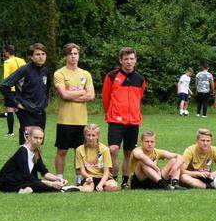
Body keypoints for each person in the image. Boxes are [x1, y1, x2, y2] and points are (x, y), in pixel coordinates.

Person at [101, 47, 147, 188]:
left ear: (135, 60)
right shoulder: (112, 76)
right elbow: (105, 97)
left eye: (131, 59)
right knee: (113, 149)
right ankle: (113, 178)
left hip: (133, 121)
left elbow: (139, 98)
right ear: (121, 60)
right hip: (116, 119)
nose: (129, 62)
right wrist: (110, 113)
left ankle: (125, 181)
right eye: (126, 59)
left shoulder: (140, 79)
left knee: (129, 153)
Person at [52, 42, 94, 176]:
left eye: (76, 54)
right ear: (66, 56)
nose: (73, 56)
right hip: (65, 120)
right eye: (70, 54)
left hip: (81, 121)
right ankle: (59, 179)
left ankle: (79, 180)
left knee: (80, 152)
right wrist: (82, 92)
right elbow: (64, 94)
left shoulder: (85, 74)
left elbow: (91, 95)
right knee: (62, 151)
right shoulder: (59, 73)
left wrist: (71, 96)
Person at [0, 42, 50, 145]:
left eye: (43, 54)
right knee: (27, 146)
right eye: (37, 54)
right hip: (27, 114)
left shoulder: (45, 70)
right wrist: (16, 103)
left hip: (40, 113)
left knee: (38, 145)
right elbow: (4, 85)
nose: (41, 57)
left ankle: (36, 162)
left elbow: (46, 89)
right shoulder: (25, 69)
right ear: (31, 57)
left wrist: (44, 103)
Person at [0, 126, 72, 193]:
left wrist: (59, 179)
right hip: (5, 183)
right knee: (40, 185)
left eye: (40, 138)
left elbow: (44, 172)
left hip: (22, 180)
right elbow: (27, 176)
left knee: (44, 185)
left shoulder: (36, 152)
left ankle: (24, 190)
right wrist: (50, 183)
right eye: (35, 137)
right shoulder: (23, 150)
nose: (38, 140)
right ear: (29, 137)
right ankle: (22, 190)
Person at [75, 123, 119, 192]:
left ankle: (98, 188)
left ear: (97, 136)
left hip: (103, 177)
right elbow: (82, 171)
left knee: (113, 187)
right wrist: (88, 177)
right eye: (88, 135)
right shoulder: (79, 149)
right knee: (87, 190)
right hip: (89, 177)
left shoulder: (104, 149)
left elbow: (106, 172)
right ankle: (74, 188)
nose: (90, 138)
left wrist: (101, 184)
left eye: (93, 135)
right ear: (85, 136)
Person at [0, 43, 24, 136]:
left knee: (10, 109)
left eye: (4, 52)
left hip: (11, 88)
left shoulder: (7, 62)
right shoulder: (22, 60)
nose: (4, 54)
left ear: (7, 52)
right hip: (21, 89)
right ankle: (24, 127)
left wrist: (5, 90)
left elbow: (6, 78)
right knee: (18, 109)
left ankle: (10, 132)